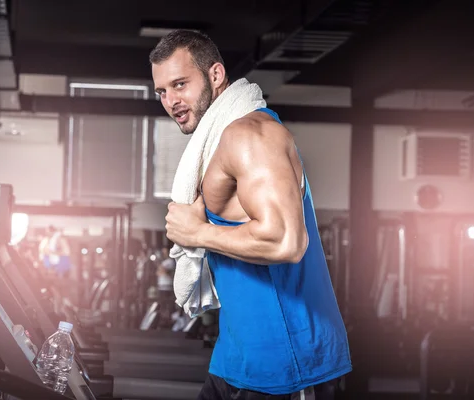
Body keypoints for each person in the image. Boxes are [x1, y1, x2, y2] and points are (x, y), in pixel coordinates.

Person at [149, 30, 352, 399]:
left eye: (180, 84)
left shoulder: (252, 135)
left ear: (215, 75)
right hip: (236, 353)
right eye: (162, 91)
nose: (171, 100)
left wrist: (195, 234)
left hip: (287, 360)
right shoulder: (219, 141)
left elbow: (286, 241)